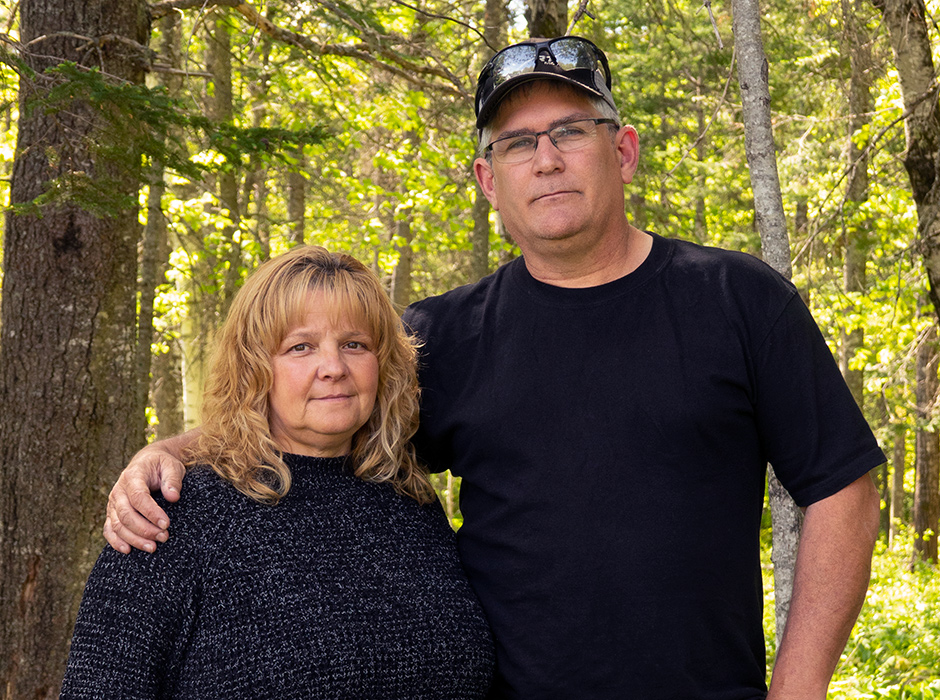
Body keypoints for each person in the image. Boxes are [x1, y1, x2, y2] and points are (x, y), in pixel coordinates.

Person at [103, 37, 883, 700]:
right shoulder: (438, 336)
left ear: (624, 150)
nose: (546, 160)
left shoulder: (739, 301)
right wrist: (172, 453)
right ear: (488, 181)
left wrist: (799, 689)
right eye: (517, 143)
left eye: (571, 131)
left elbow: (841, 485)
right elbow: (314, 421)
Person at [61, 246, 494, 699]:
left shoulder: (411, 505)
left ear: (382, 364)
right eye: (300, 347)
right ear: (254, 370)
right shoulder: (172, 515)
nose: (333, 368)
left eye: (354, 344)